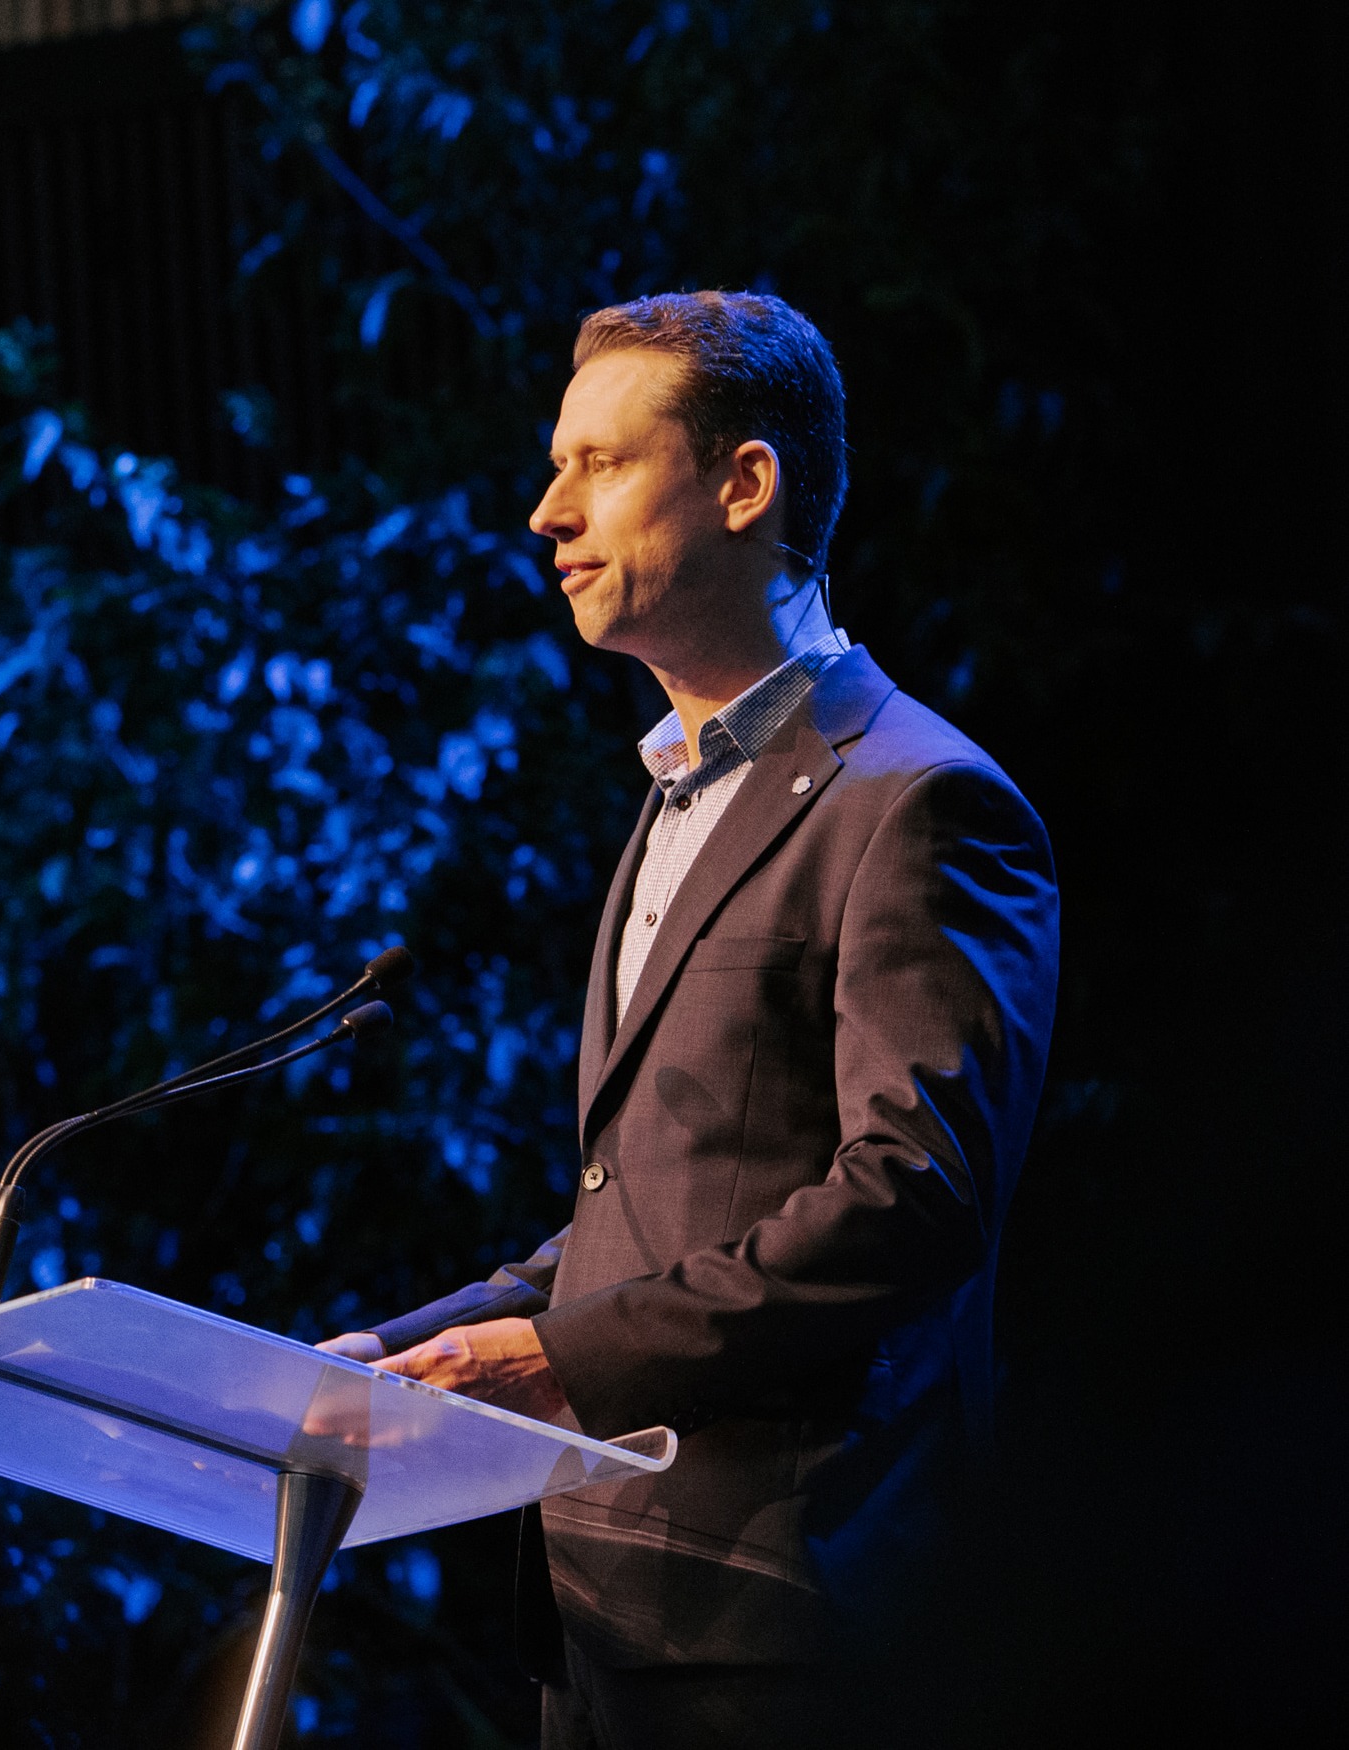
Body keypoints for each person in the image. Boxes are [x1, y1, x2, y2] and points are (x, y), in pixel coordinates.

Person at [318, 291, 1060, 1747]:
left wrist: (561, 1363)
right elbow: (648, 1211)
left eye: (597, 462)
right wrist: (402, 1353)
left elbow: (913, 1197)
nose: (545, 511)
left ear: (745, 483)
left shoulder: (915, 800)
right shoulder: (674, 799)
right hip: (601, 1616)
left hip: (786, 1621)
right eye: (554, 465)